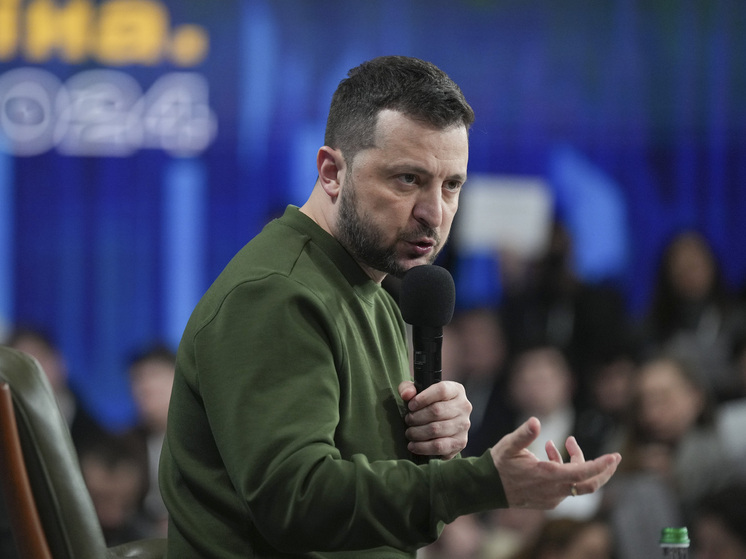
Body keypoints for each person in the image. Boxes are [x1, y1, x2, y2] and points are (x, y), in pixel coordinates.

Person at [159, 55, 621, 558]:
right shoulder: (275, 294)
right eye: (407, 179)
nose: (435, 213)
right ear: (332, 172)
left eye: (451, 185)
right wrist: (480, 483)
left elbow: (378, 493)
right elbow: (299, 501)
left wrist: (434, 445)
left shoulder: (372, 292)